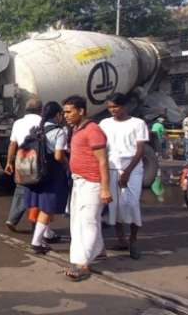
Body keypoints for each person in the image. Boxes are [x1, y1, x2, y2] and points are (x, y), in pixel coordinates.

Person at [63, 95, 112, 281]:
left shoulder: (93, 130)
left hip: (92, 183)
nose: (66, 115)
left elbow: (103, 160)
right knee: (78, 221)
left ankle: (82, 264)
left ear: (81, 111)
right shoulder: (76, 129)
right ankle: (98, 251)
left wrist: (105, 188)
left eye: (69, 111)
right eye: (64, 112)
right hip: (79, 182)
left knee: (88, 221)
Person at [99, 93, 149, 260]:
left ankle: (133, 240)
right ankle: (121, 240)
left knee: (132, 203)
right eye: (110, 107)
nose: (113, 110)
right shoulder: (104, 124)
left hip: (132, 168)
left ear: (124, 106)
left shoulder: (138, 123)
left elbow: (140, 150)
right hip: (111, 167)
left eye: (115, 107)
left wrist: (127, 172)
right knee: (115, 205)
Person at [24, 102, 70, 254]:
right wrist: (68, 165)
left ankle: (47, 234)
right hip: (52, 172)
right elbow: (58, 155)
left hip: (37, 172)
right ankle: (36, 242)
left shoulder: (37, 129)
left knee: (43, 204)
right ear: (57, 115)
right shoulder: (59, 131)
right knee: (48, 207)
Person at [4, 99, 43, 232]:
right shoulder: (42, 122)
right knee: (38, 189)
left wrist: (9, 162)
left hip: (21, 157)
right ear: (41, 109)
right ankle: (35, 224)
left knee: (21, 188)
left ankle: (12, 219)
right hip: (37, 159)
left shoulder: (18, 123)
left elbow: (12, 144)